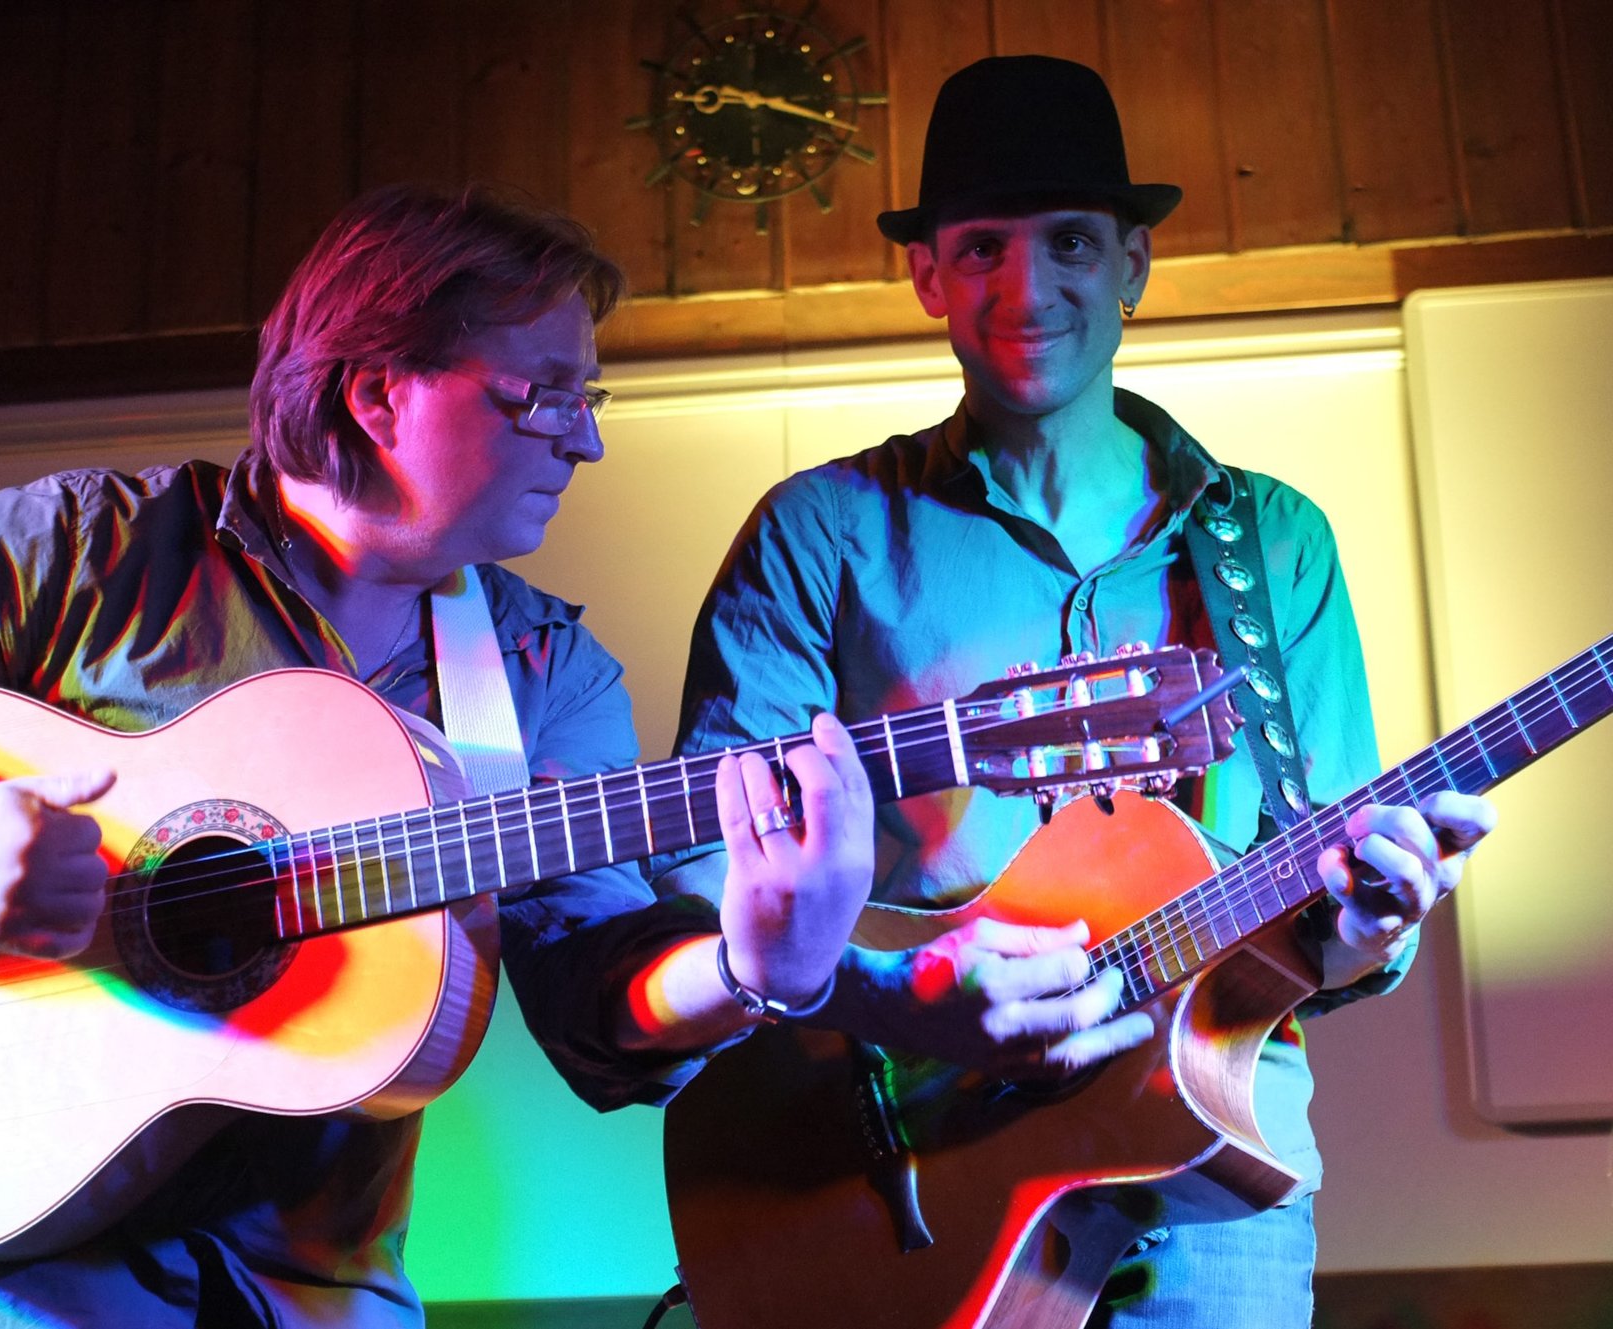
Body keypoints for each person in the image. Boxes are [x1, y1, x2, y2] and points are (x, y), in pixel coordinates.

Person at [0, 183, 737, 1328]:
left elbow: (597, 992)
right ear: (375, 392)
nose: (589, 436)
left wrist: (752, 966)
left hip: (311, 1294)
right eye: (546, 395)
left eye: (589, 396)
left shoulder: (542, 674)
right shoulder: (83, 547)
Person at [618, 55, 1499, 1326]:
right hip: (894, 1180)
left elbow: (1322, 916)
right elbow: (708, 875)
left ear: (1132, 263)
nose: (1026, 289)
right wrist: (908, 1006)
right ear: (926, 275)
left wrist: (1366, 929)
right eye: (980, 248)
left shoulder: (1271, 542)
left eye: (1071, 242)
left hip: (1211, 1171)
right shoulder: (821, 533)